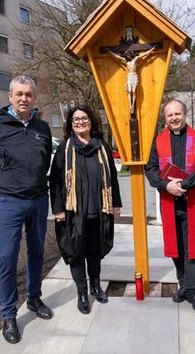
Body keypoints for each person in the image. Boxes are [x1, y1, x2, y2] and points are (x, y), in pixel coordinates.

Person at [0, 76, 53, 344]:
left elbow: (45, 163)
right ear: (10, 96)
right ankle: (9, 314)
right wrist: (1, 189)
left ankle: (33, 298)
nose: (24, 99)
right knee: (7, 258)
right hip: (9, 203)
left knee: (36, 252)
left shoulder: (42, 128)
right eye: (19, 94)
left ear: (35, 97)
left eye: (29, 94)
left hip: (37, 200)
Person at [49, 104, 122, 315]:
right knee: (77, 252)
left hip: (99, 210)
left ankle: (96, 286)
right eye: (76, 119)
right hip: (73, 212)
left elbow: (113, 178)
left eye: (84, 118)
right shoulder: (65, 148)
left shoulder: (102, 146)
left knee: (95, 252)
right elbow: (55, 181)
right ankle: (82, 293)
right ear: (71, 125)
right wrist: (59, 209)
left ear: (91, 121)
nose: (81, 122)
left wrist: (115, 203)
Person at [146, 98, 195, 313]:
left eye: (177, 114)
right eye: (169, 115)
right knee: (176, 247)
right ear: (165, 118)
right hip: (169, 202)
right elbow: (151, 169)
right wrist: (166, 186)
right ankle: (183, 284)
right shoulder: (158, 141)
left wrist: (183, 184)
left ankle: (193, 290)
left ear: (184, 115)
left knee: (192, 247)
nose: (174, 118)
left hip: (191, 201)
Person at [107, 46, 155, 114]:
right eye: (127, 54)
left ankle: (132, 105)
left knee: (133, 91)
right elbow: (117, 57)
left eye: (129, 54)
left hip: (134, 76)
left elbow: (145, 54)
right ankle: (131, 106)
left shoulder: (135, 59)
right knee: (129, 91)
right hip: (129, 76)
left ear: (131, 54)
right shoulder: (126, 62)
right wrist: (110, 52)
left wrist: (152, 49)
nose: (128, 55)